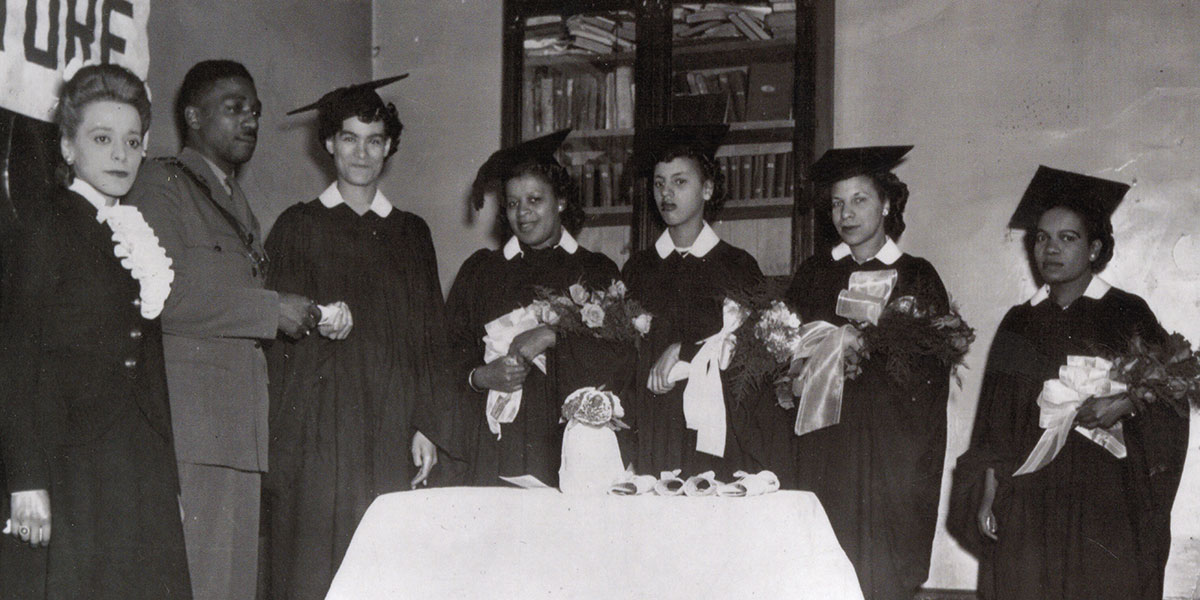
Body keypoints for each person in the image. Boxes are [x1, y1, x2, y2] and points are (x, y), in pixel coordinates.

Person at [124, 60, 318, 600]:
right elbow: (161, 299)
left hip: (238, 429)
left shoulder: (231, 198)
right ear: (193, 115)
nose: (249, 120)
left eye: (254, 110)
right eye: (234, 108)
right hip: (193, 429)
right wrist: (269, 310)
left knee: (233, 587)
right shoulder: (161, 185)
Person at [948, 166, 1188, 600]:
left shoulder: (1126, 313)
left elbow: (1169, 395)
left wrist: (1126, 404)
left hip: (1104, 502)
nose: (1050, 249)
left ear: (1095, 248)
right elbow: (994, 424)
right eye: (1041, 237)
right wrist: (988, 493)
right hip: (1029, 499)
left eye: (1067, 238)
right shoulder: (1020, 322)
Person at [0, 64, 190, 599]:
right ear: (66, 146)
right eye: (102, 139)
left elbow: (149, 362)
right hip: (71, 459)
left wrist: (169, 482)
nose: (120, 155)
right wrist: (26, 480)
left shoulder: (133, 233)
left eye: (132, 142)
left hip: (138, 463)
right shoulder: (45, 227)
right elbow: (15, 358)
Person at [263, 76, 456, 599]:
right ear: (328, 143)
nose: (362, 152)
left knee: (385, 562)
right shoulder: (298, 225)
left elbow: (430, 338)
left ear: (389, 146)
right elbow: (274, 337)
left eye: (374, 140)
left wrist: (428, 424)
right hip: (319, 427)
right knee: (313, 565)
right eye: (349, 138)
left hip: (391, 426)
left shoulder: (411, 232)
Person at [785, 146, 949, 600]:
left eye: (859, 200)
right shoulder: (815, 275)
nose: (846, 213)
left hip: (887, 453)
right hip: (825, 448)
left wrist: (868, 359)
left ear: (886, 204)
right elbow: (783, 349)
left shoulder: (915, 276)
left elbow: (932, 373)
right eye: (837, 203)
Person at [446, 129, 634, 487]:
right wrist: (479, 376)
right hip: (493, 444)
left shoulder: (595, 270)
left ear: (560, 201)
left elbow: (621, 362)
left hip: (565, 444)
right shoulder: (482, 271)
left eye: (535, 200)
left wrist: (553, 335)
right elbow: (446, 353)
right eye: (513, 203)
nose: (523, 214)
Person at [622, 124, 767, 481]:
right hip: (654, 427)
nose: (666, 193)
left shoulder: (738, 266)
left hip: (714, 434)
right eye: (659, 183)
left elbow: (753, 354)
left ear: (707, 188)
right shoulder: (639, 268)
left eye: (679, 182)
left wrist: (686, 349)